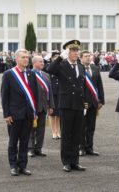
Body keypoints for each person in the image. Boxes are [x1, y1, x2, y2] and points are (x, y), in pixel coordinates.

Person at [47, 40, 87, 172]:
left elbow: (83, 86)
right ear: (67, 52)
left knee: (77, 134)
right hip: (66, 105)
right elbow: (50, 69)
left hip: (78, 105)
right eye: (73, 50)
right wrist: (59, 57)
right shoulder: (62, 65)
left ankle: (75, 161)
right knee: (66, 134)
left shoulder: (80, 66)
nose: (76, 53)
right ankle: (66, 162)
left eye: (77, 50)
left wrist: (85, 103)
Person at [1, 49, 38, 176]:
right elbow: (4, 96)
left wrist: (35, 111)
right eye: (23, 57)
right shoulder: (9, 74)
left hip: (28, 113)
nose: (26, 59)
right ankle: (13, 165)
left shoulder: (31, 74)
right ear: (16, 59)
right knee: (13, 142)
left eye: (27, 57)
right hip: (14, 114)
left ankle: (23, 165)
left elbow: (35, 94)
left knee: (24, 141)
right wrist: (6, 114)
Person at [79, 50, 105, 156]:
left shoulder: (95, 68)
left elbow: (100, 85)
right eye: (85, 56)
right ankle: (81, 147)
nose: (88, 58)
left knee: (91, 127)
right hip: (82, 103)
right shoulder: (78, 69)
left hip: (94, 103)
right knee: (81, 127)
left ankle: (89, 147)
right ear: (81, 58)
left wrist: (101, 100)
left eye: (89, 56)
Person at [28, 55, 54, 157]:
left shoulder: (46, 75)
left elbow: (50, 92)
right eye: (40, 62)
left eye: (43, 62)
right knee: (31, 129)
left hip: (44, 106)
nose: (42, 63)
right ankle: (30, 149)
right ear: (34, 63)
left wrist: (51, 105)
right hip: (33, 106)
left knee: (41, 129)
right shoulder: (29, 74)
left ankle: (38, 148)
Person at [44, 50, 61, 139]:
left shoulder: (61, 66)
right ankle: (53, 131)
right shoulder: (48, 66)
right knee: (52, 113)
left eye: (58, 57)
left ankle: (58, 131)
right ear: (51, 58)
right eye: (54, 57)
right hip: (51, 92)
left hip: (60, 92)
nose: (56, 58)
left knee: (58, 114)